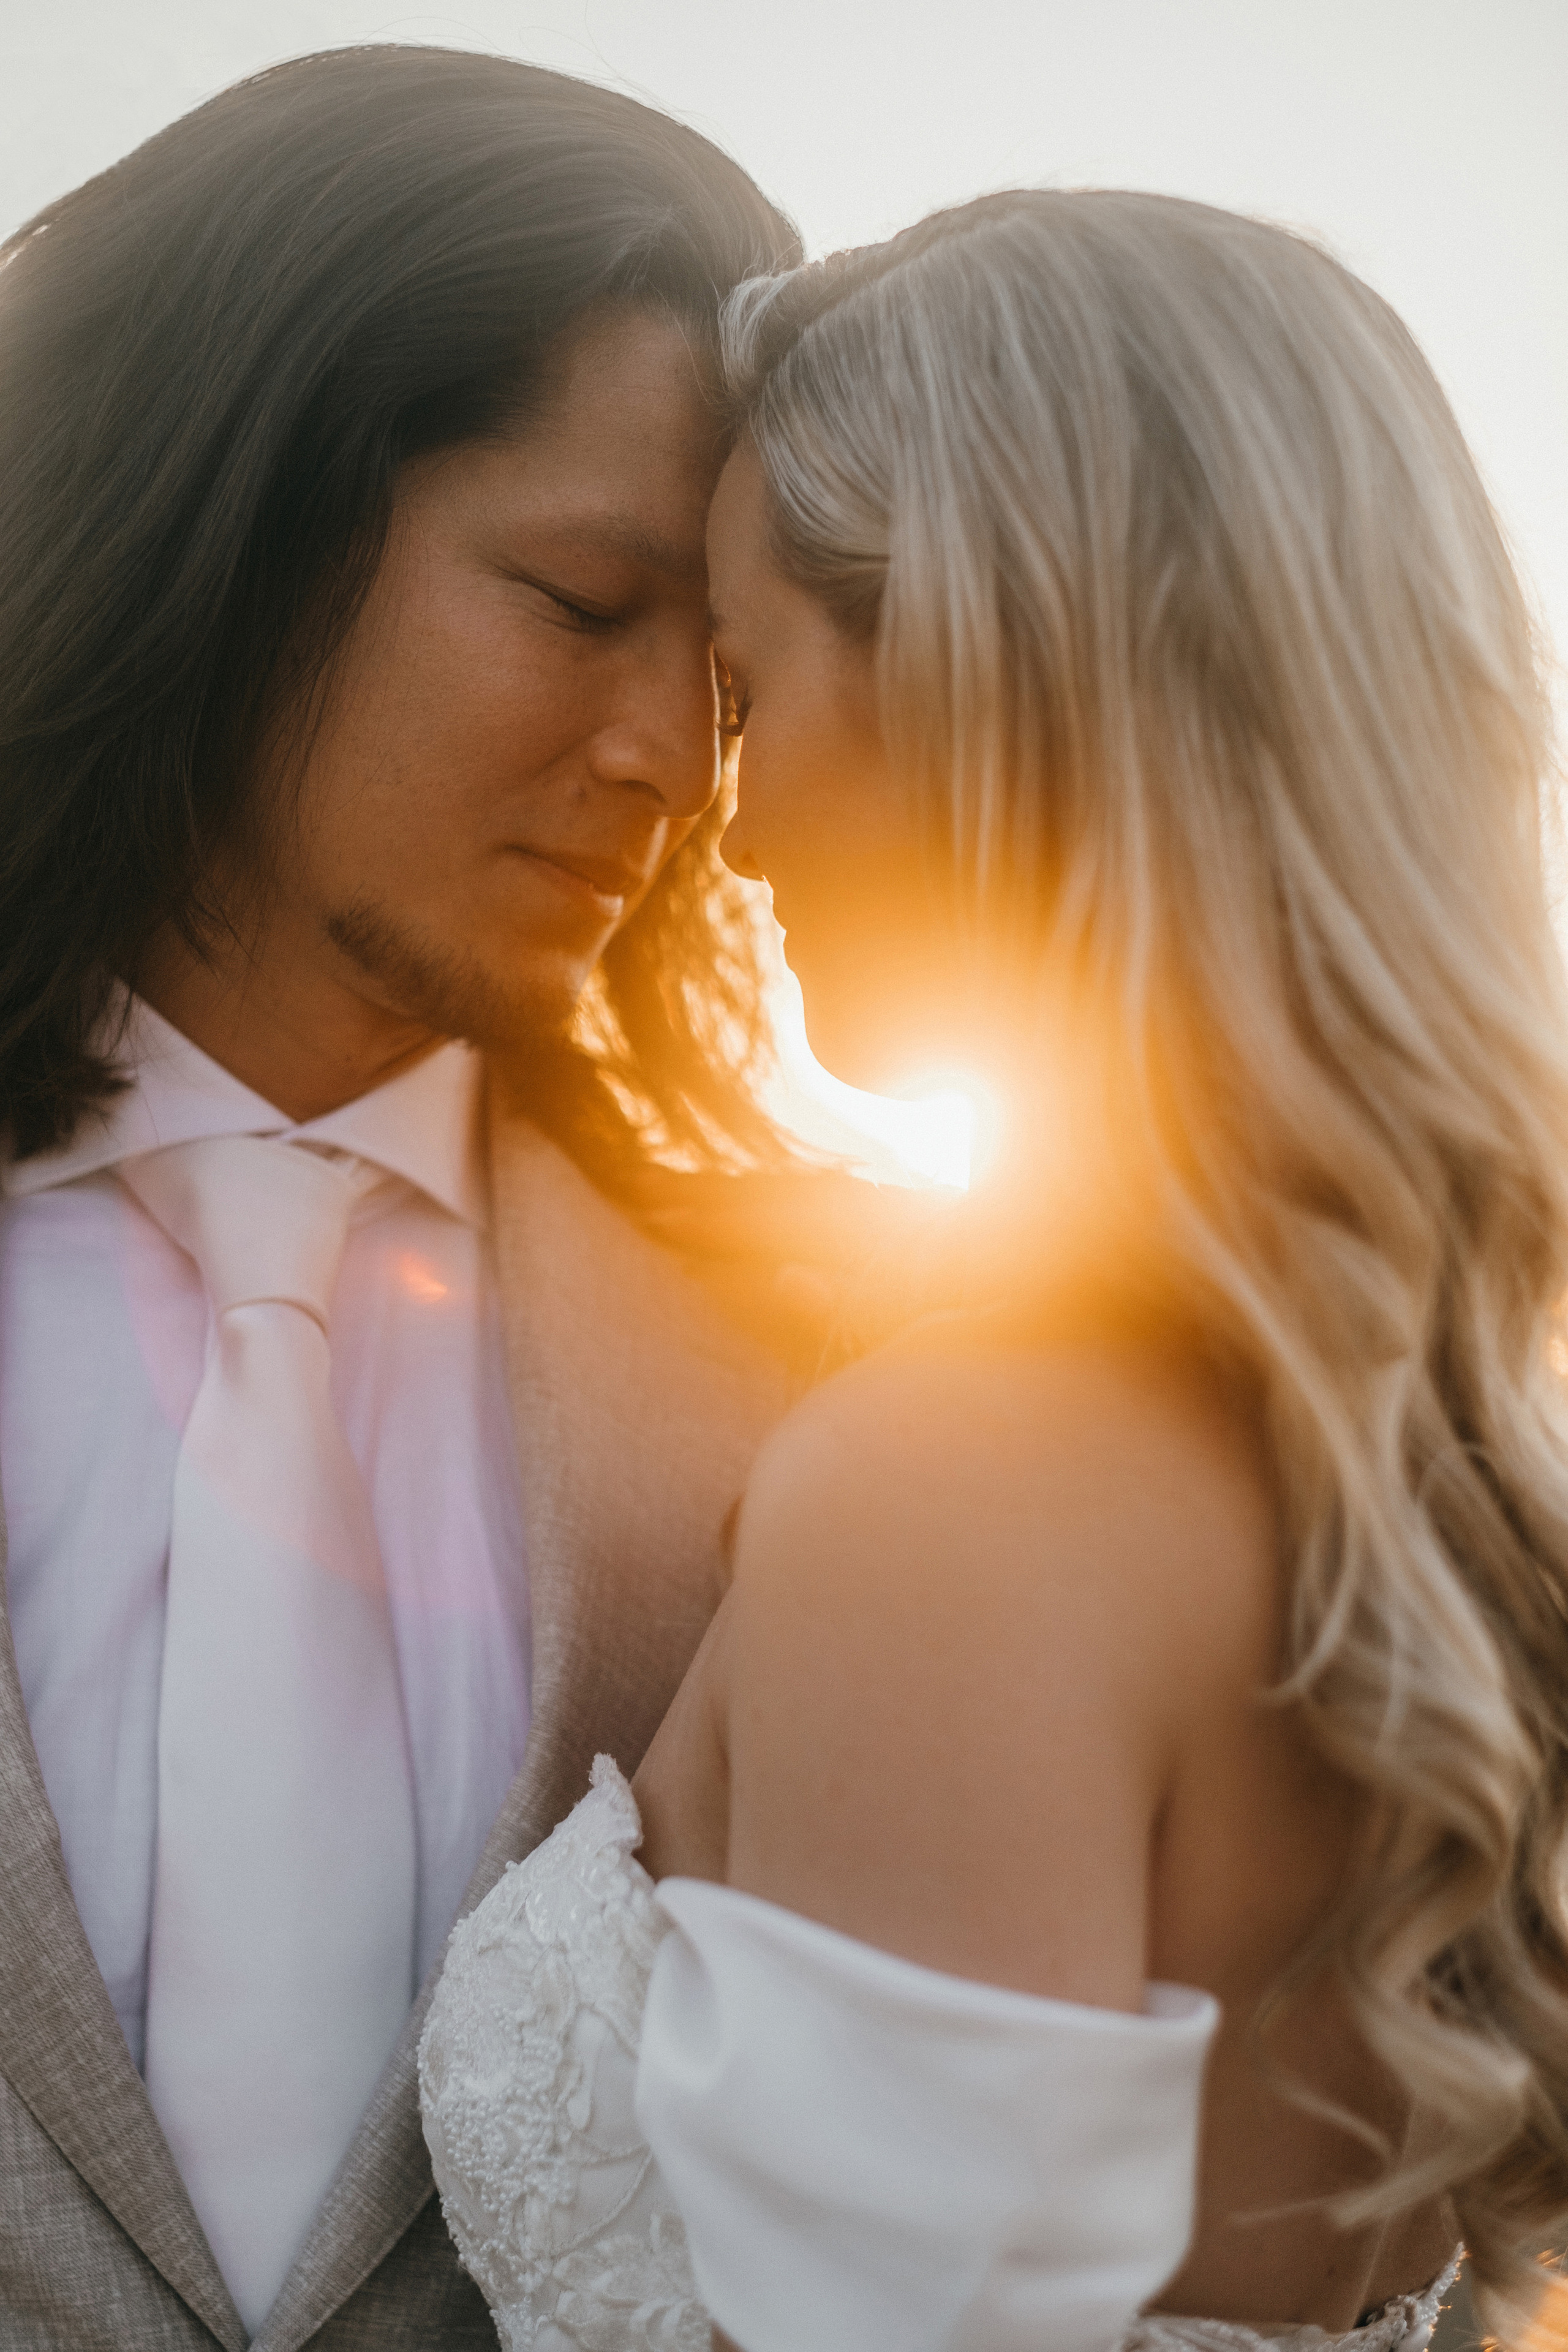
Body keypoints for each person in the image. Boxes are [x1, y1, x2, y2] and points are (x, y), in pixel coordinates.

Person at [420, 192, 1568, 2352]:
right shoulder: (1418, 1483)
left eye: (752, 698)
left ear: (995, 669)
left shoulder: (955, 1492)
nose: (721, 833)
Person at [0, 44, 853, 2350]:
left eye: (734, 673)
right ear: (223, 517)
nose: (680, 763)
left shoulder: (842, 1389)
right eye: (586, 602)